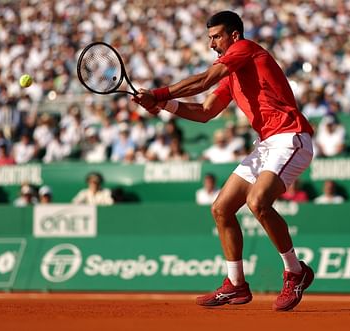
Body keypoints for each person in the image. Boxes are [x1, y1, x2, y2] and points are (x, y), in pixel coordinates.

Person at [132, 11, 315, 311]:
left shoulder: (245, 49)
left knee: (258, 202)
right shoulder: (233, 73)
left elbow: (204, 80)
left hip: (290, 136)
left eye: (216, 37)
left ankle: (296, 272)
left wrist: (157, 92)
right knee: (221, 208)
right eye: (209, 38)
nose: (212, 44)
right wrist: (163, 104)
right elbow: (205, 112)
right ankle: (236, 285)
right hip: (267, 144)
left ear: (234, 36)